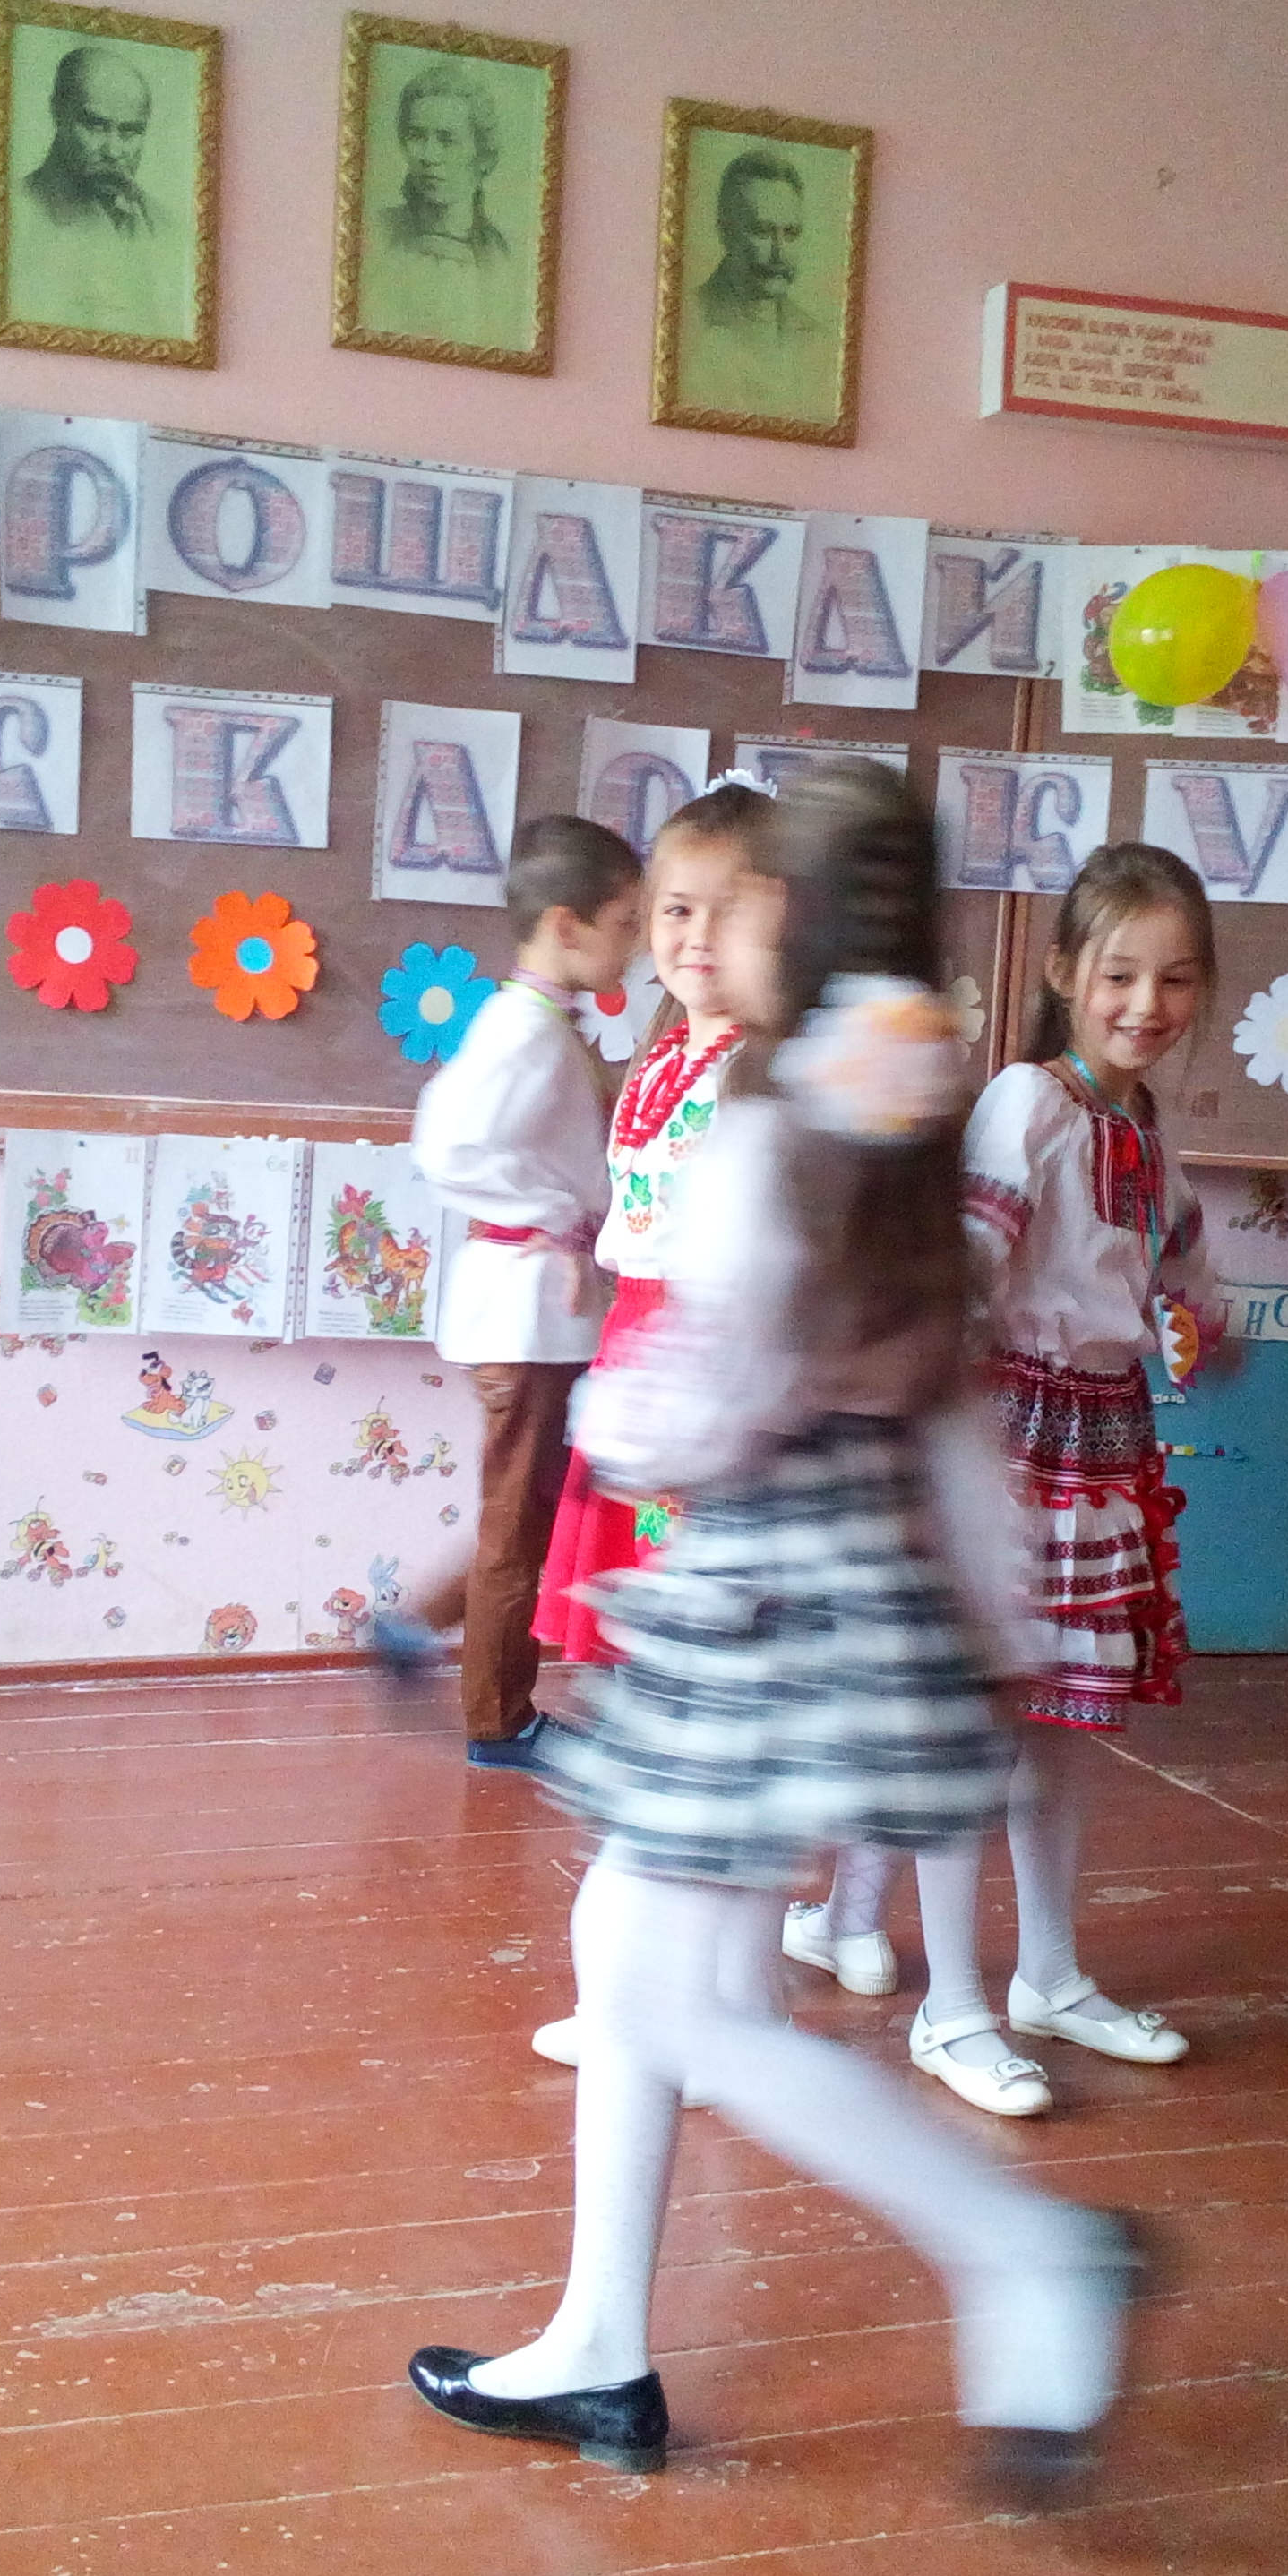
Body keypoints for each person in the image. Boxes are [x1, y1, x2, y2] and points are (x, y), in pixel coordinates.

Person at [404, 764, 1148, 2508]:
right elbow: (947, 1409)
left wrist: (609, 1422)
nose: (694, 934)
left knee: (685, 2000)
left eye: (724, 903)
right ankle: (600, 2338)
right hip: (840, 1600)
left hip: (761, 1601)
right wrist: (991, 1621)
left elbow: (699, 1404)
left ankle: (1025, 2251)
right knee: (637, 1954)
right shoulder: (890, 1103)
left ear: (788, 924)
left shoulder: (779, 1128)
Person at [803, 845, 1235, 2117]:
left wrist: (1206, 1320)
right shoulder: (1028, 1104)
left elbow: (1180, 1254)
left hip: (1099, 1436)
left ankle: (1048, 1974)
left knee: (1056, 1734)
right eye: (1119, 973)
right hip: (1010, 1434)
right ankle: (951, 2007)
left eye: (1176, 979)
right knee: (972, 1734)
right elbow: (966, 1266)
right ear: (1060, 972)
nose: (1146, 1003)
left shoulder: (1140, 1127)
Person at [523, 778, 778, 2074]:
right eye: (674, 910)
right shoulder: (655, 1062)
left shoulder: (764, 1074)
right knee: (644, 1687)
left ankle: (719, 1999)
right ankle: (686, 1997)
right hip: (637, 1372)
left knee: (710, 1700)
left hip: (710, 1386)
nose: (692, 937)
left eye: (727, 912)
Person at [386, 817, 647, 1767]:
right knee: (518, 1528)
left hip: (538, 1312)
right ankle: (498, 1721)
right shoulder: (524, 1031)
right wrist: (551, 1218)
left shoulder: (537, 1023)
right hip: (524, 1315)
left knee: (534, 1506)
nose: (637, 944)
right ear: (567, 926)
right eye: (626, 922)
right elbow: (447, 1146)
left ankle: (418, 1626)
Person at [13, 42, 181, 339]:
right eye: (95, 126)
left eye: (130, 131)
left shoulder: (167, 228)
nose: (114, 151)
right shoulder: (15, 214)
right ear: (57, 113)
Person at [363, 60, 527, 352]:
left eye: (447, 140)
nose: (428, 155)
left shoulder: (503, 256)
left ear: (481, 153)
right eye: (416, 136)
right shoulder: (377, 234)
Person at [680, 145, 837, 420]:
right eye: (762, 231)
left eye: (791, 233)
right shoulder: (686, 326)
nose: (779, 253)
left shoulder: (820, 343)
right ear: (726, 232)